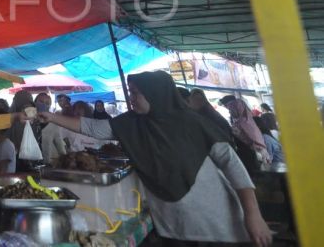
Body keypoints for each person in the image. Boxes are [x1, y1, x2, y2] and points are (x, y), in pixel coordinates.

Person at [39, 71, 272, 246]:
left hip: (217, 226)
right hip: (171, 226)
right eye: (131, 93)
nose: (131, 99)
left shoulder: (194, 124)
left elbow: (234, 167)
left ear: (156, 94)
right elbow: (91, 127)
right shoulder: (132, 123)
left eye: (136, 94)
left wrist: (253, 214)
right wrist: (50, 116)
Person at [224, 98, 272, 167]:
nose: (229, 112)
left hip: (252, 155)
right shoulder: (248, 119)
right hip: (257, 152)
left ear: (237, 109)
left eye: (231, 110)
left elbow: (253, 139)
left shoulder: (243, 123)